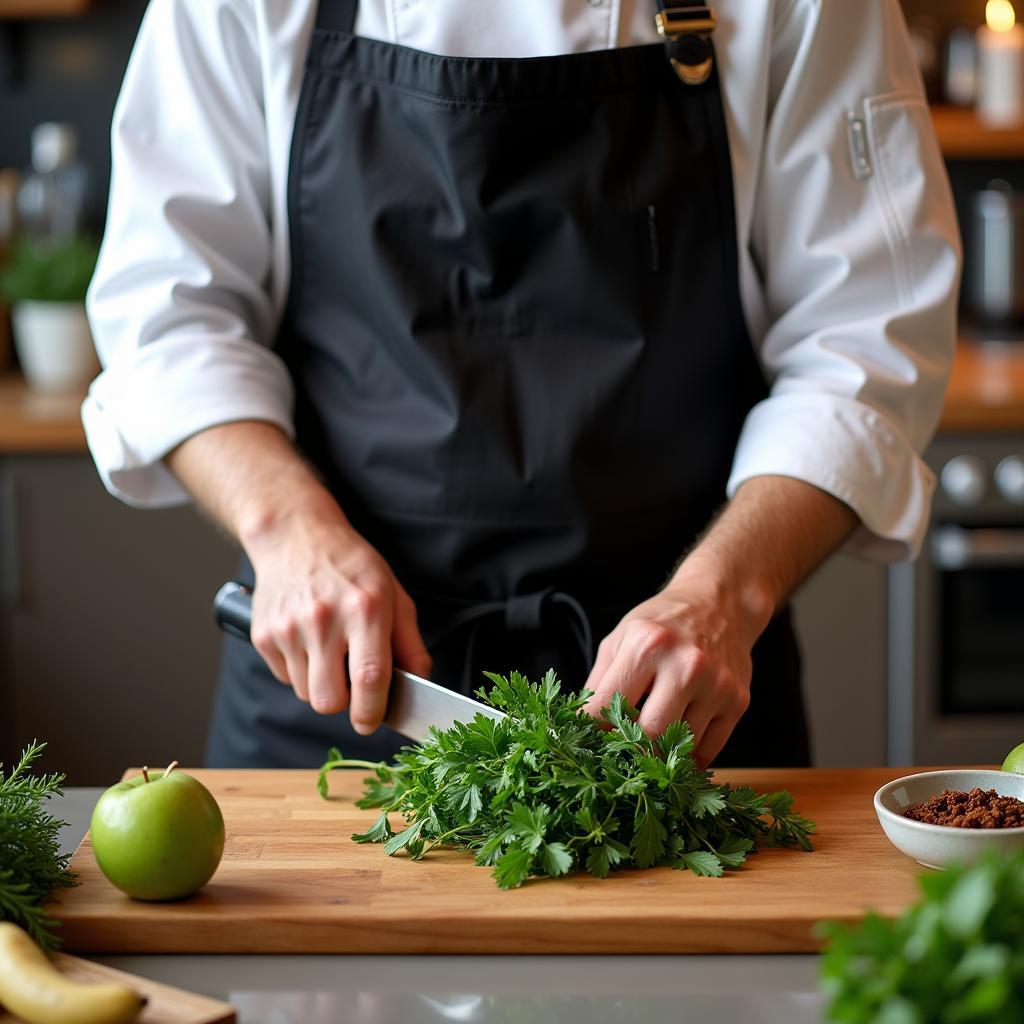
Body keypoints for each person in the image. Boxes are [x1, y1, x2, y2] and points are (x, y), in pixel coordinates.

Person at [84, 0, 960, 771]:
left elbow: (866, 339)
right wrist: (288, 533)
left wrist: (722, 596)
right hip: (331, 686)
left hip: (674, 708)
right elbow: (170, 317)